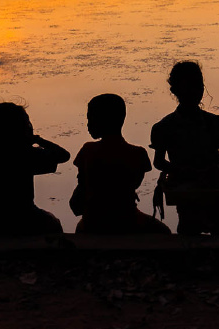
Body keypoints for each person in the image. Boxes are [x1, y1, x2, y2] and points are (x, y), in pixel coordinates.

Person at [149, 61, 219, 235]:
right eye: (188, 87)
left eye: (198, 86)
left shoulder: (215, 123)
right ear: (175, 91)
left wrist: (217, 169)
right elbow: (159, 162)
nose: (194, 92)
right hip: (185, 187)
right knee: (190, 228)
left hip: (214, 185)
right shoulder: (164, 127)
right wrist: (182, 171)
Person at [70, 94, 171, 234]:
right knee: (164, 231)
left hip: (93, 222)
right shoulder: (138, 154)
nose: (87, 124)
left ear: (103, 120)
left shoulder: (87, 150)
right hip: (128, 219)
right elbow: (134, 185)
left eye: (90, 118)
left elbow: (77, 200)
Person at [0, 102, 70, 235]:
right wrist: (39, 140)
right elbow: (64, 155)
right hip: (24, 220)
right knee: (53, 222)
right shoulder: (25, 155)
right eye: (27, 123)